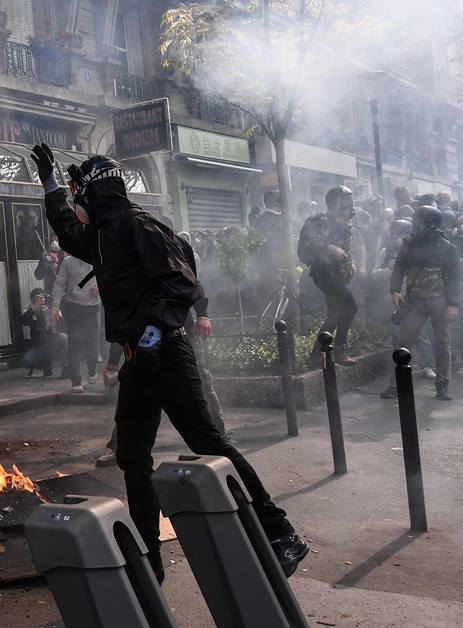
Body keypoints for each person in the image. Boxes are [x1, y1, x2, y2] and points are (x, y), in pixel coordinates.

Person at [30, 143, 308, 583]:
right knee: (132, 457)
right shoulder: (103, 235)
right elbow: (66, 229)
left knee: (210, 442)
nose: (76, 204)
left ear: (94, 194)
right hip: (140, 359)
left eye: (77, 194)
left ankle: (280, 533)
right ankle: (147, 558)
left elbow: (180, 283)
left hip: (167, 355)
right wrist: (49, 184)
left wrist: (154, 334)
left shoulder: (140, 226)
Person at [384, 206, 460, 401]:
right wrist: (394, 289)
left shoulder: (446, 247)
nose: (415, 226)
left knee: (442, 344)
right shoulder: (409, 245)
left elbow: (454, 278)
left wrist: (453, 304)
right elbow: (399, 267)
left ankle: (442, 386)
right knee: (404, 344)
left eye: (420, 222)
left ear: (432, 225)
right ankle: (395, 385)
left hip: (440, 302)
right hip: (415, 302)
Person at [298, 186, 359, 365]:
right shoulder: (318, 220)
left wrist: (351, 263)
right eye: (344, 200)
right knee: (350, 307)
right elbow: (309, 243)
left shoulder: (344, 223)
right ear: (334, 202)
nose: (348, 204)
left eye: (349, 199)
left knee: (335, 314)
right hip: (323, 272)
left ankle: (316, 357)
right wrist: (330, 249)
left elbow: (346, 247)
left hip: (338, 273)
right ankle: (338, 351)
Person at [51, 249, 101, 393]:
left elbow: (112, 278)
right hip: (73, 308)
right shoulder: (68, 262)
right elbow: (59, 284)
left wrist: (100, 287)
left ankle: (92, 369)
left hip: (93, 308)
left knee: (93, 345)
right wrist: (55, 305)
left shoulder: (99, 259)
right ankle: (76, 379)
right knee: (75, 343)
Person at [21, 288, 53, 377]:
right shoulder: (30, 308)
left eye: (43, 297)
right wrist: (34, 309)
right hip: (38, 344)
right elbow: (24, 321)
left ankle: (65, 367)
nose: (42, 299)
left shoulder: (49, 306)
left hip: (52, 340)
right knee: (26, 362)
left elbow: (60, 321)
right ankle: (43, 366)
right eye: (39, 297)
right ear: (33, 299)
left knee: (63, 340)